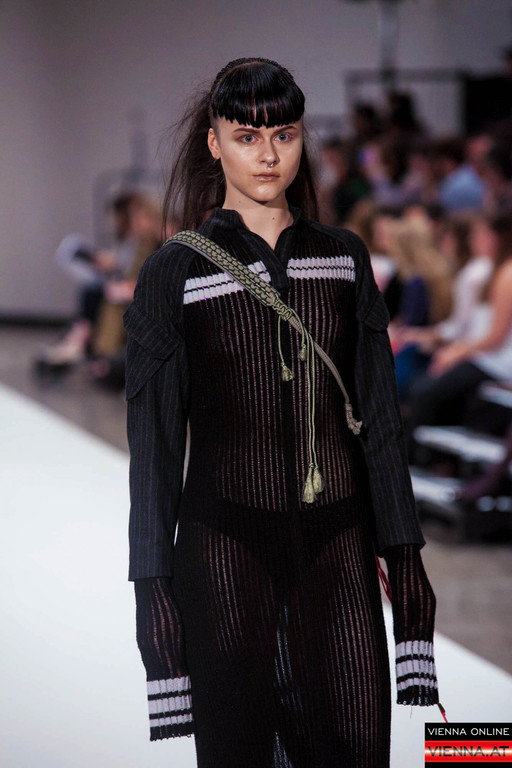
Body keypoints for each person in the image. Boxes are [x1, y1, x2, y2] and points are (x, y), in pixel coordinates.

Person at [122, 58, 440, 768]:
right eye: (246, 136)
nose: (267, 155)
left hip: (341, 547)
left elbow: (380, 426)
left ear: (301, 140)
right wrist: (154, 596)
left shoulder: (344, 259)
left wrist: (407, 567)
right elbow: (155, 449)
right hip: (223, 553)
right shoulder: (175, 271)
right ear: (215, 144)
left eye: (283, 135)